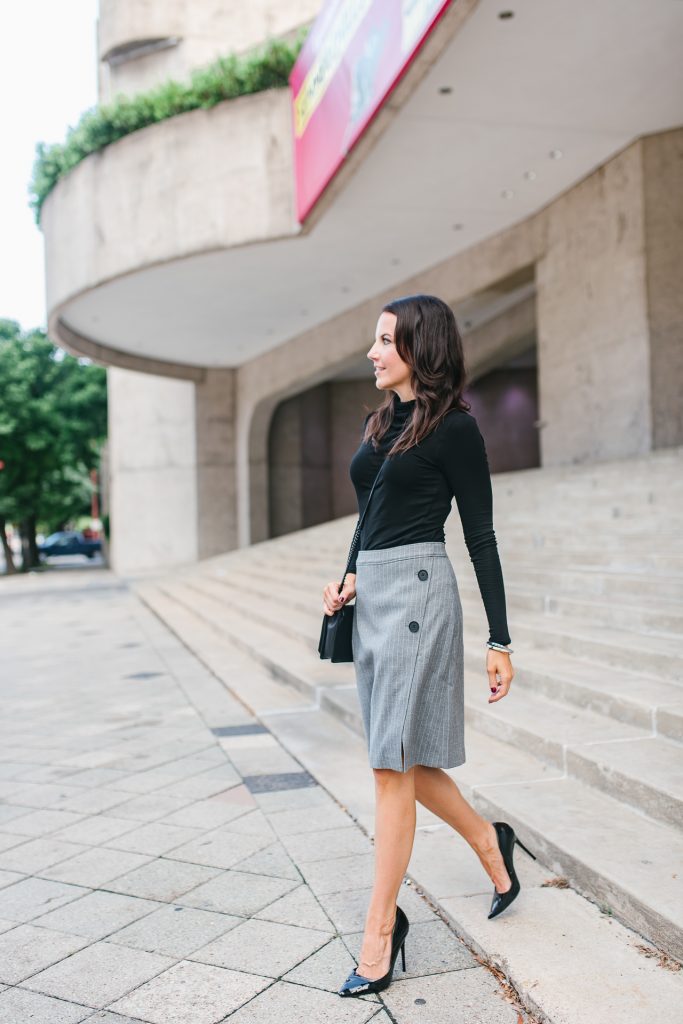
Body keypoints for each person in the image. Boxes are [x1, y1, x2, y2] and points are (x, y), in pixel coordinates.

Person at [322, 294, 535, 998]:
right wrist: (348, 576)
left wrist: (499, 639)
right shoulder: (378, 421)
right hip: (375, 593)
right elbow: (369, 512)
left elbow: (480, 537)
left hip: (418, 596)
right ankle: (489, 847)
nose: (372, 352)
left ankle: (380, 932)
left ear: (420, 347)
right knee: (403, 756)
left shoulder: (455, 431)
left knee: (390, 767)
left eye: (384, 340)